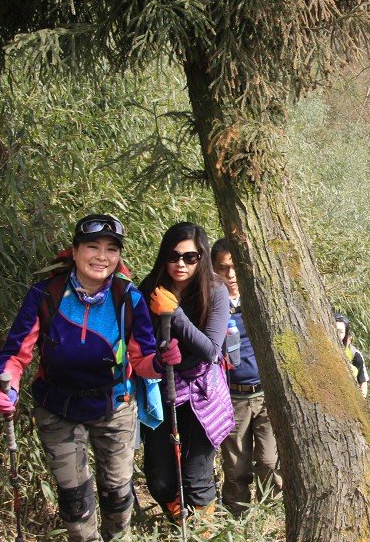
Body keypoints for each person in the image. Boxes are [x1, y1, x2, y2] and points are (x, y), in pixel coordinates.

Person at [0, 214, 173, 542]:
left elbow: (142, 360)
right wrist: (7, 389)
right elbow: (16, 353)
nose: (102, 256)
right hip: (57, 405)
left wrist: (161, 362)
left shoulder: (128, 298)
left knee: (118, 496)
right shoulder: (46, 294)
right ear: (74, 251)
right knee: (75, 504)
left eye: (111, 249)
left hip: (114, 405)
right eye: (92, 247)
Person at [139, 222, 233, 521]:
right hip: (160, 386)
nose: (180, 264)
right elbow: (138, 340)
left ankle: (202, 530)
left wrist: (174, 314)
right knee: (160, 478)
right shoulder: (150, 287)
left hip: (203, 390)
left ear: (201, 258)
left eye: (190, 257)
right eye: (174, 256)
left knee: (195, 477)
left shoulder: (215, 290)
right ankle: (179, 520)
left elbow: (211, 350)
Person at [212, 239, 282, 514]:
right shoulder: (209, 305)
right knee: (236, 468)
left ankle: (268, 517)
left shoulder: (260, 301)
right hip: (232, 398)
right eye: (223, 268)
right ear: (213, 269)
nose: (230, 275)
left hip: (265, 396)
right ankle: (237, 518)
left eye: (235, 268)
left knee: (268, 463)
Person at [335, 312, 369, 397]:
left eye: (341, 332)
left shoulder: (355, 355)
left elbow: (363, 381)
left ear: (345, 334)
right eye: (335, 330)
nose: (337, 334)